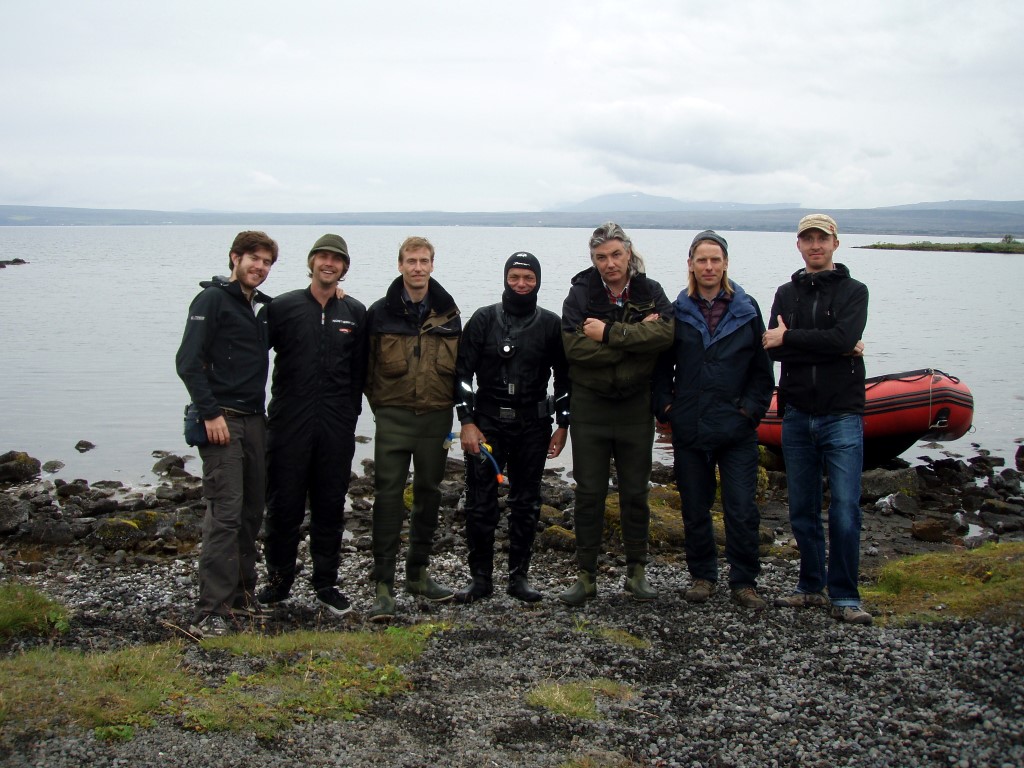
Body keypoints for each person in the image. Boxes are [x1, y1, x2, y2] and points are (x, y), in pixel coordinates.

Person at [653, 231, 775, 610]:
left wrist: (749, 412)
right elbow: (661, 370)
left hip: (736, 429)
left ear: (725, 263)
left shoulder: (747, 308)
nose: (708, 267)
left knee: (741, 508)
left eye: (715, 260)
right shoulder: (678, 310)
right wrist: (668, 410)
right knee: (694, 507)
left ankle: (744, 581)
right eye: (701, 260)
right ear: (690, 264)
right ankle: (703, 576)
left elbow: (762, 372)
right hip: (690, 426)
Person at [762, 213, 873, 625]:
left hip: (841, 413)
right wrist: (828, 347)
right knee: (802, 509)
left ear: (835, 244)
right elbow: (772, 351)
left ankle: (844, 594)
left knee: (845, 507)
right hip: (795, 413)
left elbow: (841, 338)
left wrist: (792, 339)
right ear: (798, 244)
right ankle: (810, 585)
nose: (815, 246)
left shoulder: (853, 291)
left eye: (821, 239)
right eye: (807, 239)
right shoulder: (784, 293)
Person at [558, 222, 674, 605]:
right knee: (589, 492)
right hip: (590, 406)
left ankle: (636, 573)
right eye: (601, 257)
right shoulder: (580, 293)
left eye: (615, 254)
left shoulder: (650, 290)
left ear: (628, 253)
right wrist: (634, 340)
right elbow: (574, 350)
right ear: (593, 259)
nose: (610, 263)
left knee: (635, 493)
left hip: (634, 407)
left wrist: (608, 334)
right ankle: (585, 576)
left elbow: (665, 337)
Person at [257, 234, 367, 617]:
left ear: (344, 268)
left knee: (330, 505)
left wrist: (350, 413)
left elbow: (360, 372)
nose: (328, 263)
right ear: (311, 262)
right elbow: (254, 356)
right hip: (289, 422)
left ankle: (325, 582)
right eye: (322, 256)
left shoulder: (354, 312)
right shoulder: (283, 307)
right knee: (283, 504)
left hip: (335, 424)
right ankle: (279, 580)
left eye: (336, 259)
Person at [175, 230, 278, 638]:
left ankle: (242, 596)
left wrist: (335, 295)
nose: (260, 267)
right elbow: (187, 361)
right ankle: (213, 606)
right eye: (253, 258)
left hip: (255, 419)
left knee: (252, 511)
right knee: (226, 512)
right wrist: (210, 413)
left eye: (267, 262)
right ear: (234, 257)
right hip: (221, 420)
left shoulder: (261, 309)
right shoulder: (212, 300)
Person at [453, 252, 570, 604]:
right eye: (515, 277)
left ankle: (519, 578)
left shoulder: (551, 325)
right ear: (505, 279)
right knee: (480, 502)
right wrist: (467, 422)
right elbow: (462, 375)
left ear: (537, 282)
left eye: (528, 278)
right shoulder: (484, 320)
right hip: (487, 424)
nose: (521, 284)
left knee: (527, 503)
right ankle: (481, 579)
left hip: (533, 425)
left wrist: (563, 424)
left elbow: (564, 379)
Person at [364, 236, 461, 621]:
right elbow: (364, 370)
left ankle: (418, 573)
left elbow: (462, 371)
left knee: (429, 493)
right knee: (387, 496)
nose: (417, 267)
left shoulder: (450, 313)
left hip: (437, 417)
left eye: (424, 261)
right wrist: (382, 408)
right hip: (393, 416)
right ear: (400, 265)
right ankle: (383, 583)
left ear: (433, 265)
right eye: (411, 261)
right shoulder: (379, 312)